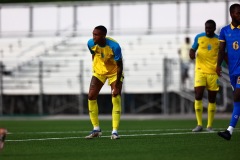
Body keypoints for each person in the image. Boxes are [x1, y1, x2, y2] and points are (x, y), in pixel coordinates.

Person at [85, 25, 124, 140]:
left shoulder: (115, 47)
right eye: (93, 34)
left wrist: (116, 86)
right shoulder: (90, 43)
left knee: (115, 96)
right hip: (99, 72)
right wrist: (95, 68)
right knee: (91, 96)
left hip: (114, 72)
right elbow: (93, 54)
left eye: (96, 35)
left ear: (103, 36)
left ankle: (115, 131)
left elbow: (120, 67)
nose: (93, 37)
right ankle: (96, 129)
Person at [189, 19, 220, 132]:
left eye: (210, 28)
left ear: (214, 28)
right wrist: (191, 54)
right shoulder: (199, 37)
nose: (207, 30)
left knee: (212, 98)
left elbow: (223, 54)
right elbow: (192, 49)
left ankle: (209, 126)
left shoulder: (218, 40)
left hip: (213, 72)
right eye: (206, 28)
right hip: (200, 71)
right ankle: (199, 124)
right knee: (198, 94)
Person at [217, 3, 240, 141]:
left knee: (237, 96)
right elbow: (221, 50)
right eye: (238, 13)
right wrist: (218, 65)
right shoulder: (224, 31)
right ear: (232, 14)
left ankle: (229, 130)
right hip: (232, 71)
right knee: (238, 102)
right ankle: (229, 132)